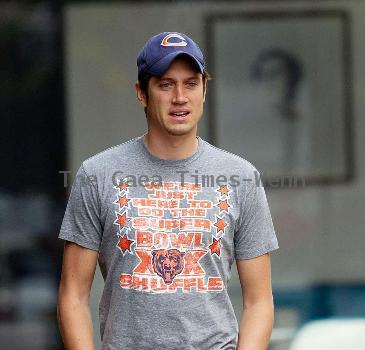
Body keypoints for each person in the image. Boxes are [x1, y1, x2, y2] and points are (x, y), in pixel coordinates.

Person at [57, 32, 279, 350]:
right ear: (142, 93)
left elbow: (259, 302)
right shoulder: (97, 175)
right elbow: (73, 296)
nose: (180, 97)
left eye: (191, 83)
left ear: (204, 90)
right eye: (165, 84)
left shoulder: (241, 177)